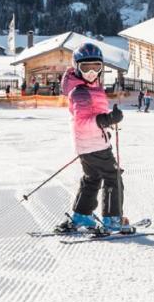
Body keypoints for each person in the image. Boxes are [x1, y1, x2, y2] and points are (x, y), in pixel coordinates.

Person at [54, 43, 131, 235]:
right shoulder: (81, 92)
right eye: (85, 68)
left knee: (92, 178)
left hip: (87, 145)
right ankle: (113, 219)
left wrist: (104, 127)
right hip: (95, 146)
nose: (91, 73)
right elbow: (82, 123)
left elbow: (91, 118)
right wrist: (105, 120)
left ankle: (82, 215)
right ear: (76, 67)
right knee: (113, 177)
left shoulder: (88, 87)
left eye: (96, 67)